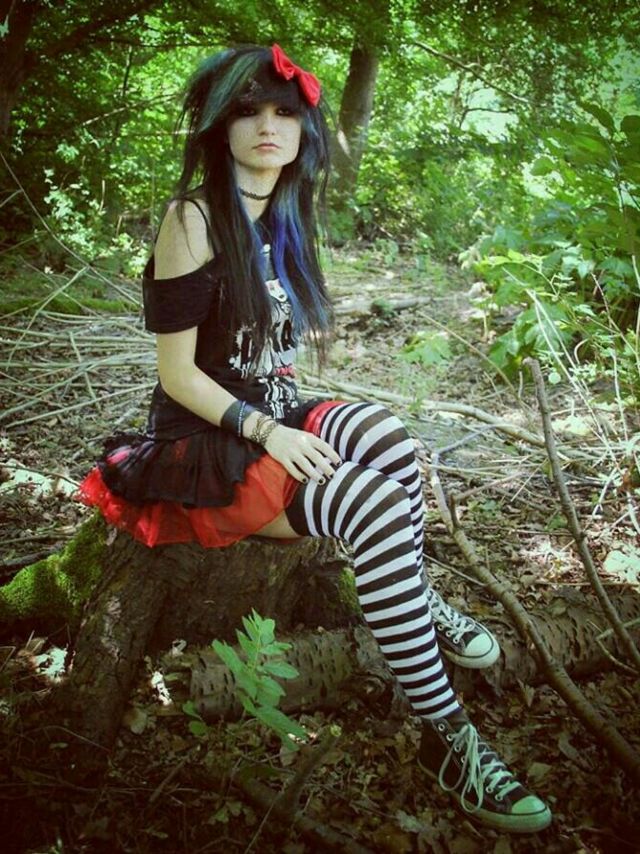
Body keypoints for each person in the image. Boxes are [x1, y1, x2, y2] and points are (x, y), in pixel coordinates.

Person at [78, 44, 551, 834]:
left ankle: (416, 597)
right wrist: (268, 432)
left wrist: (286, 420)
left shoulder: (284, 217)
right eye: (248, 111)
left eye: (284, 113)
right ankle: (448, 737)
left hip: (271, 414)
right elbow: (177, 376)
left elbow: (276, 359)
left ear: (304, 132)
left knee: (391, 436)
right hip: (209, 447)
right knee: (373, 506)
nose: (268, 126)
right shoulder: (193, 218)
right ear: (219, 128)